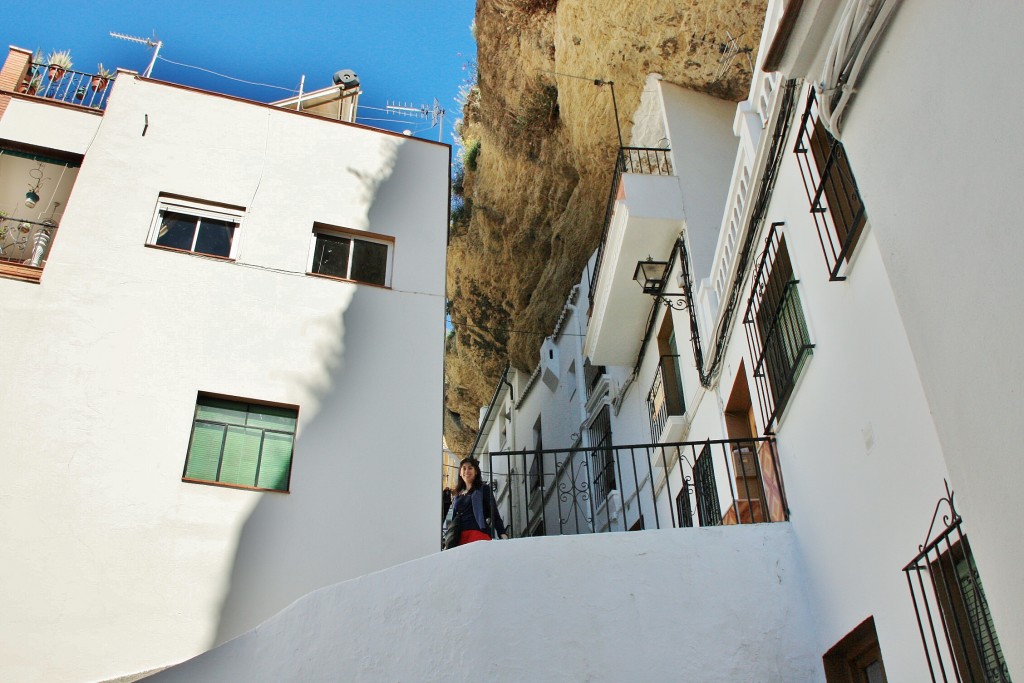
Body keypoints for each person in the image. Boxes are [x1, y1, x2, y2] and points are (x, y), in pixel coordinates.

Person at [449, 457, 508, 546]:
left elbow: (494, 513)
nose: (466, 471)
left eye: (470, 468)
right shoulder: (457, 496)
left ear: (476, 472)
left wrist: (502, 534)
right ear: (460, 473)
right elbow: (454, 519)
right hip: (459, 538)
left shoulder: (483, 489)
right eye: (464, 468)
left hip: (477, 534)